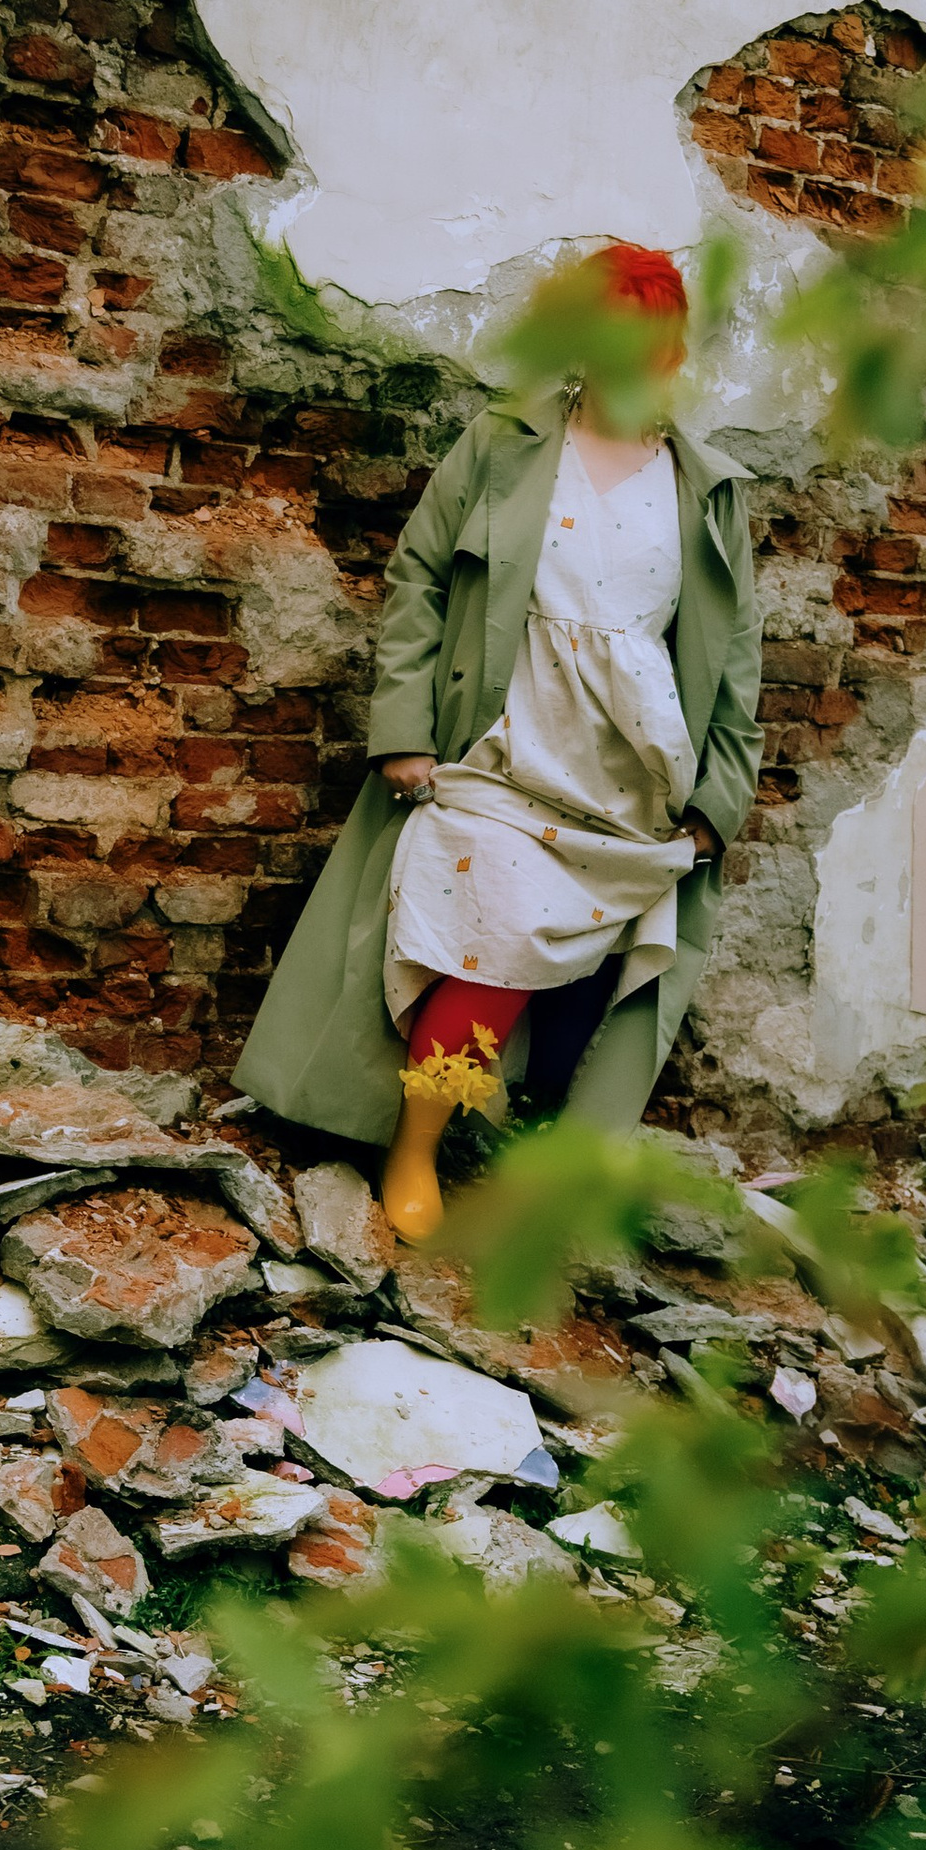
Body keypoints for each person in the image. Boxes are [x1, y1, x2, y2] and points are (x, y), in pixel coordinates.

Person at [236, 244, 763, 1236]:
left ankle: (528, 1146)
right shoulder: (507, 442)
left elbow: (735, 660)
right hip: (507, 745)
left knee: (593, 973)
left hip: (637, 776)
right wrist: (402, 728)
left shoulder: (707, 489)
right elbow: (417, 578)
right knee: (488, 947)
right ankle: (418, 1146)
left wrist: (714, 806)